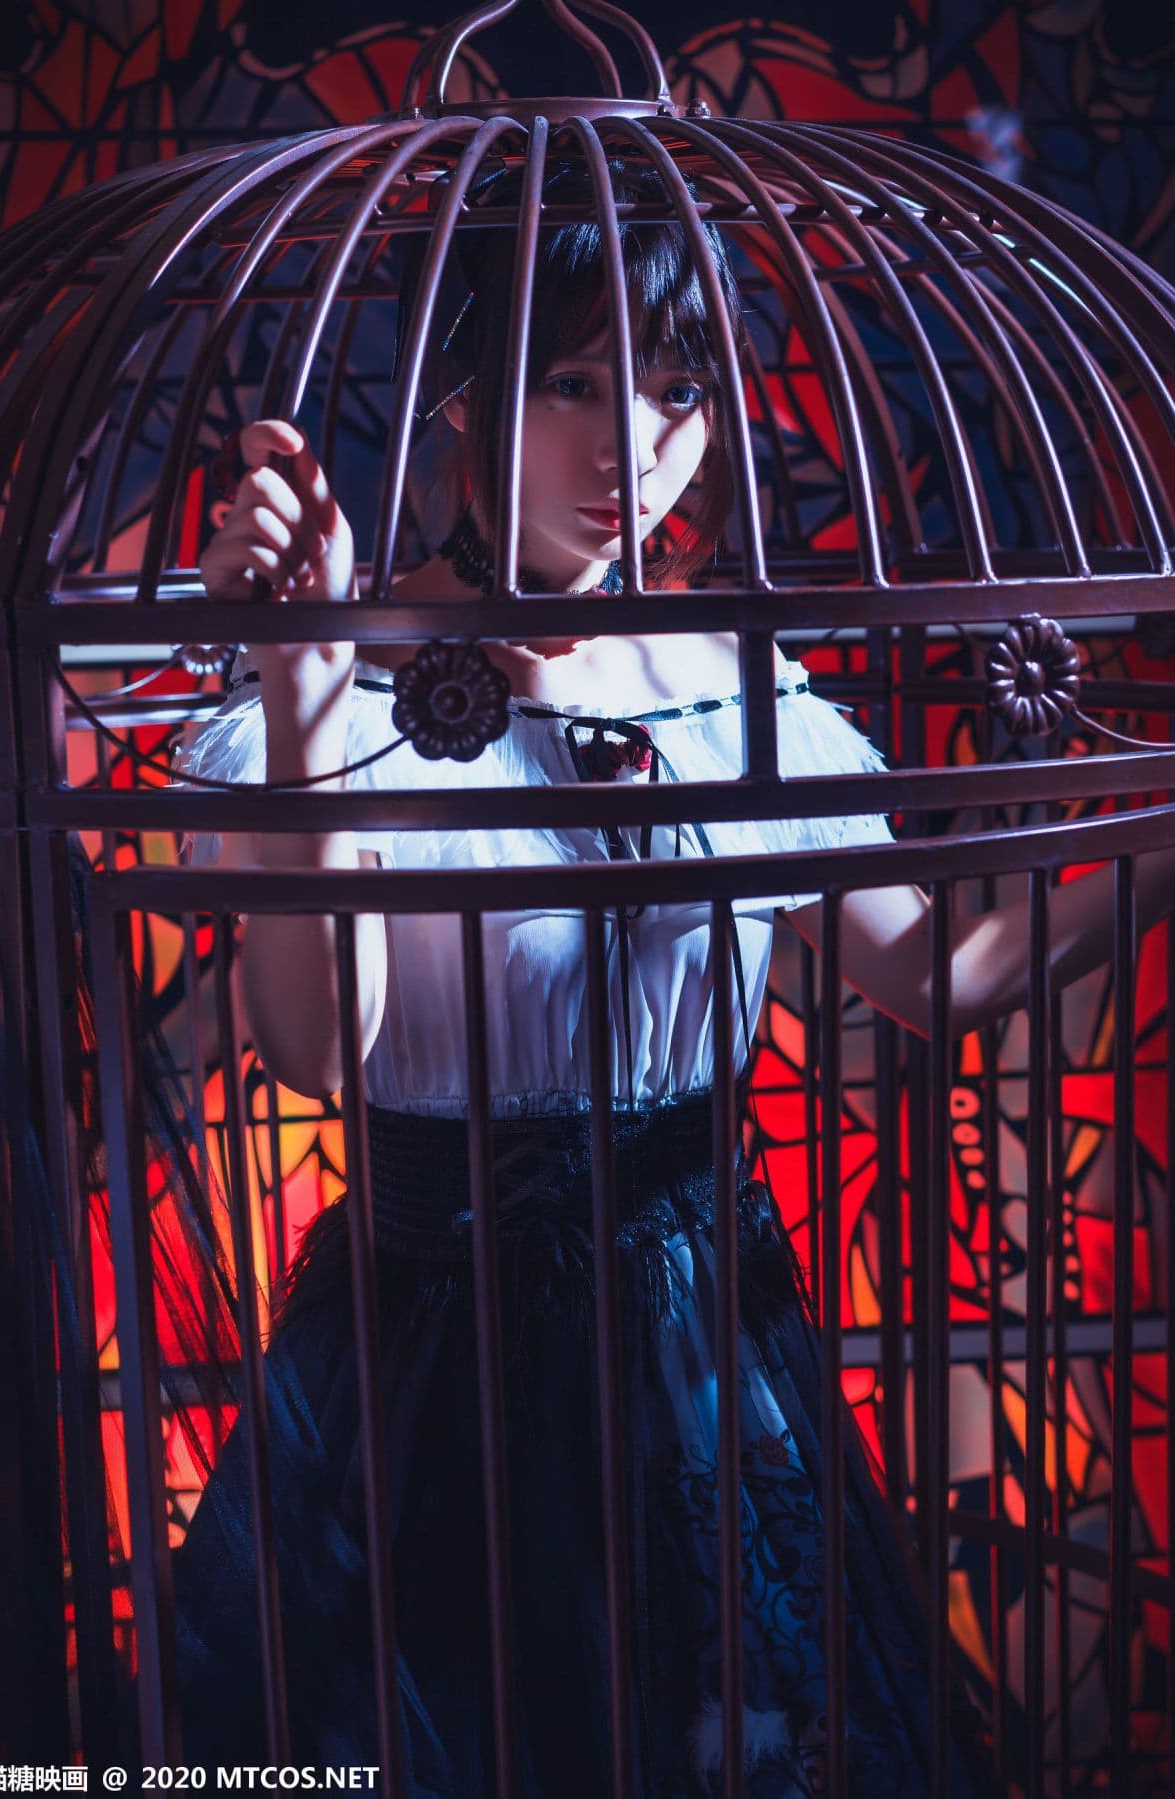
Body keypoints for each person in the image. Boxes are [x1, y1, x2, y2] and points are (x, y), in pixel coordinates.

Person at [167, 159, 1170, 1795]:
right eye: (574, 382)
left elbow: (944, 975)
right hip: (425, 1356)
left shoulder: (725, 682)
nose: (633, 448)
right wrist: (305, 700)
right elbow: (314, 1051)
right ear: (458, 394)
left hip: (709, 1339)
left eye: (680, 391)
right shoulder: (342, 677)